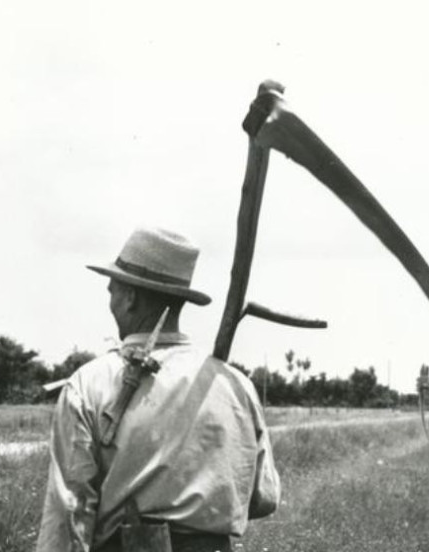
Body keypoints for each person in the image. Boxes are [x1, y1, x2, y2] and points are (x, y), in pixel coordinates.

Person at [36, 226, 280, 552]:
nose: (110, 301)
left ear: (131, 297)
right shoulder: (236, 386)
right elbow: (263, 498)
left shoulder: (89, 384)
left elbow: (70, 515)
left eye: (112, 290)